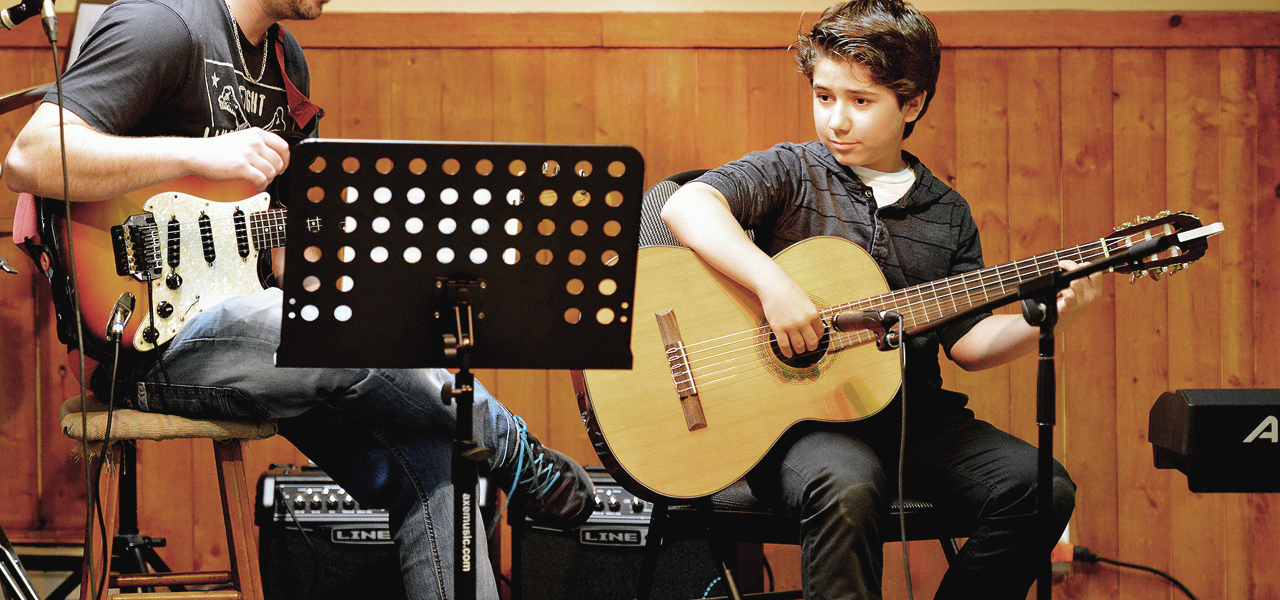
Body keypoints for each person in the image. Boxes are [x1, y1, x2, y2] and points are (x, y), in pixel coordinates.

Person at [3, 1, 593, 599]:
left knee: (441, 461)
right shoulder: (164, 25)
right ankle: (513, 447)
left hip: (259, 332)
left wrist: (387, 275)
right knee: (336, 329)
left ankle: (490, 451)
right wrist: (194, 155)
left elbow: (282, 251)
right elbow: (30, 158)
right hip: (150, 341)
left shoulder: (287, 64)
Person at [659, 1, 1101, 598]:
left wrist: (1046, 320)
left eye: (860, 102)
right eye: (824, 97)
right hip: (796, 425)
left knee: (1041, 486)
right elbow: (686, 205)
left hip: (909, 418)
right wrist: (775, 287)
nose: (836, 120)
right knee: (850, 484)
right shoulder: (793, 171)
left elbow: (968, 344)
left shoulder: (947, 214)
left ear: (912, 103)